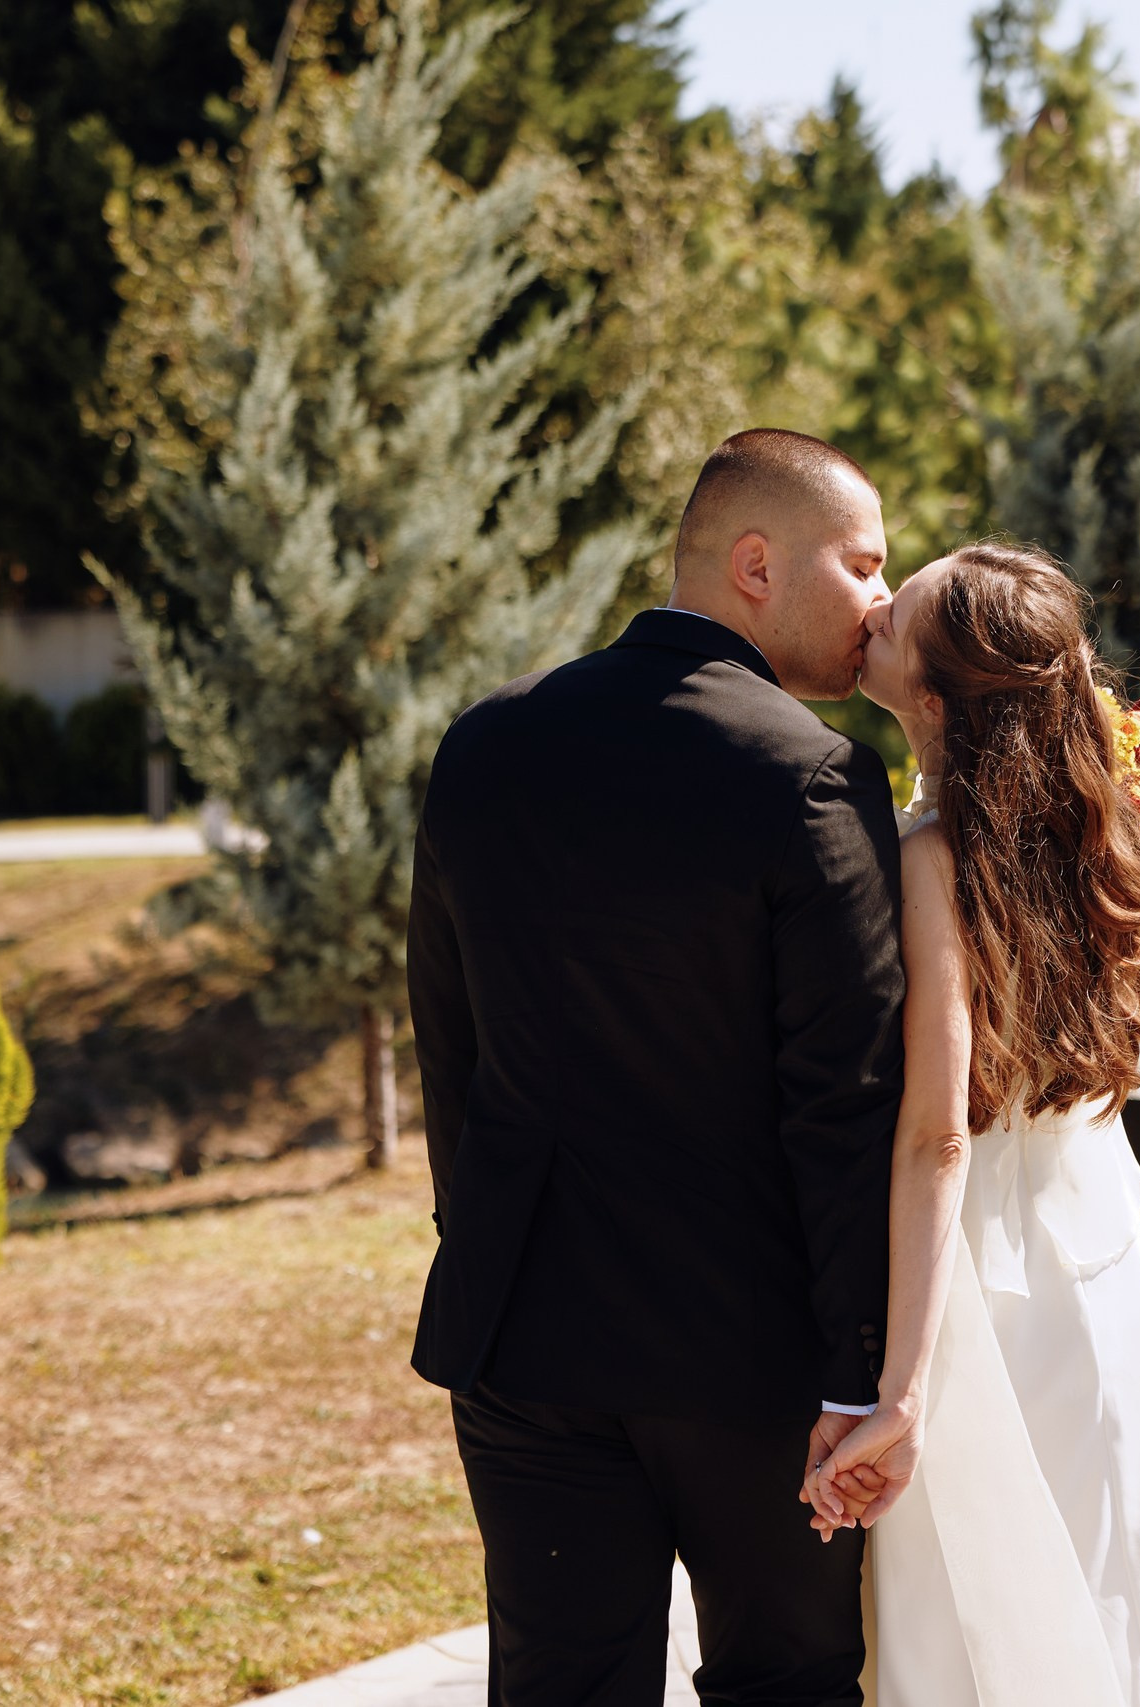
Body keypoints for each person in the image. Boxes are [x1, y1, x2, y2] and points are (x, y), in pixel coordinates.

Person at [407, 429, 902, 1706]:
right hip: (750, 1360)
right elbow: (843, 1102)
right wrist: (859, 1372)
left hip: (524, 1338)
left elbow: (448, 1048)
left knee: (559, 1689)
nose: (882, 602)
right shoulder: (811, 777)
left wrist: (488, 1248)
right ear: (755, 564)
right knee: (783, 1685)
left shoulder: (485, 746)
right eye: (861, 565)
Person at [808, 542, 1140, 1706]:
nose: (879, 605)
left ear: (936, 699)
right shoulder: (1084, 837)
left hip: (989, 1287)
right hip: (1096, 1270)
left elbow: (937, 1137)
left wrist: (895, 1398)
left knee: (988, 1627)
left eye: (907, 610)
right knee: (1117, 1598)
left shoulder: (933, 857)